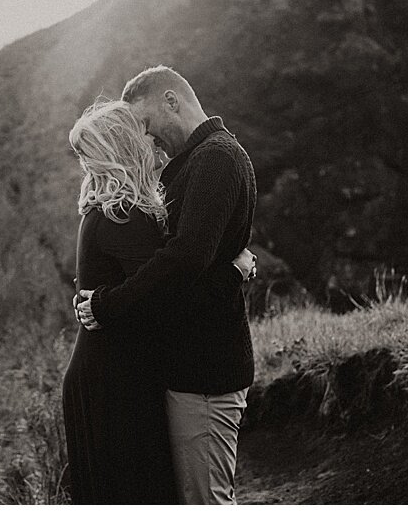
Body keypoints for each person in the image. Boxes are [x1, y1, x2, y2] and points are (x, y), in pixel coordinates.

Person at [74, 66, 257, 505]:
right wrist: (234, 268)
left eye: (146, 124)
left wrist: (106, 305)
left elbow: (184, 262)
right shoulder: (195, 162)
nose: (147, 139)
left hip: (206, 372)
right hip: (192, 369)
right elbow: (186, 261)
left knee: (204, 503)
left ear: (171, 102)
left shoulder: (216, 158)